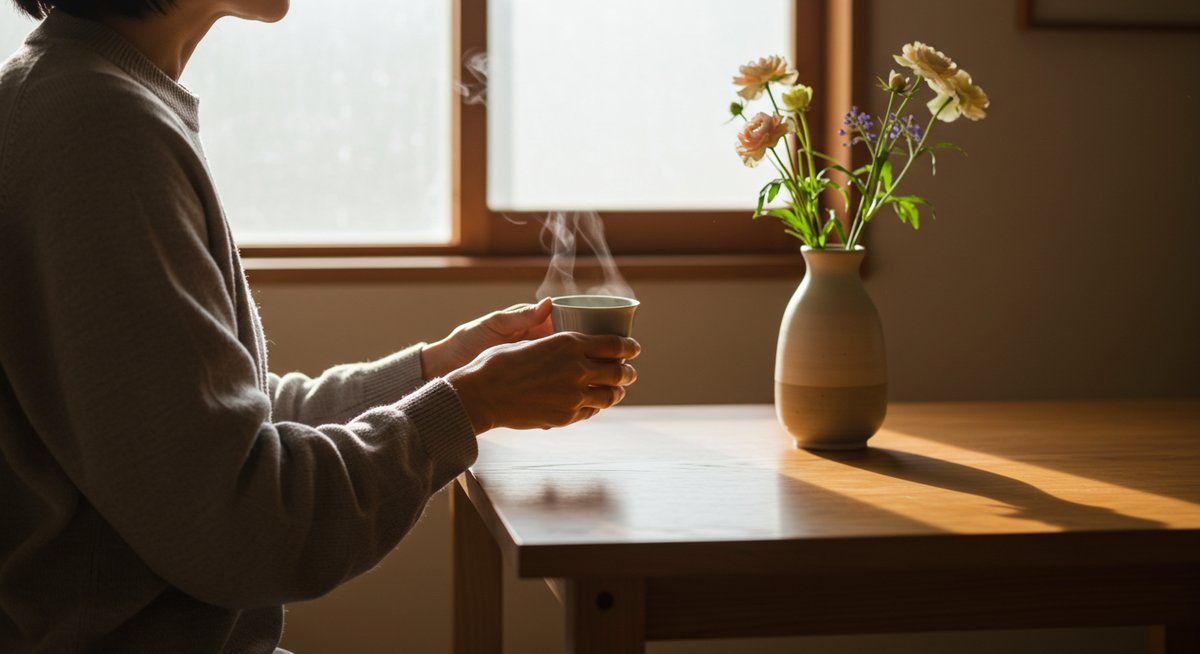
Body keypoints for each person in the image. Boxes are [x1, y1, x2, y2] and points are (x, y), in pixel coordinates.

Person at [0, 0, 640, 651]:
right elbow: (240, 526)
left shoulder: (88, 94)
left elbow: (215, 430)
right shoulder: (98, 131)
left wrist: (438, 369)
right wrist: (472, 403)